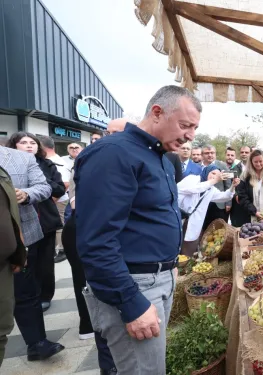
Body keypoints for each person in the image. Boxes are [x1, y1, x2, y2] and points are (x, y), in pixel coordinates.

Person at [75, 85, 201, 374]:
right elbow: (97, 241)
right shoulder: (113, 155)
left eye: (194, 128)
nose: (190, 135)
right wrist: (130, 302)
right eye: (185, 125)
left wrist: (170, 266)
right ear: (157, 113)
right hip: (134, 286)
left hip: (160, 278)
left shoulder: (162, 158)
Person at [0, 145, 64, 361]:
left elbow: (44, 188)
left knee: (26, 292)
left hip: (21, 238)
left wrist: (26, 194)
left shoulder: (22, 159)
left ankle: (37, 343)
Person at [63, 167, 117, 374]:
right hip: (82, 230)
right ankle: (89, 324)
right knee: (84, 282)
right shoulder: (87, 168)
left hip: (107, 234)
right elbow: (76, 202)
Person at [7, 133, 65, 311]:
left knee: (45, 263)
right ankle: (24, 297)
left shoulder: (46, 165)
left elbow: (59, 189)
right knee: (24, 263)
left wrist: (39, 182)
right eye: (23, 142)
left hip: (45, 220)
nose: (28, 145)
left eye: (32, 142)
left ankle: (45, 295)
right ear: (14, 146)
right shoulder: (8, 165)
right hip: (20, 223)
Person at [0, 165, 27, 367]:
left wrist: (18, 250)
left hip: (4, 266)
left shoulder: (1, 172)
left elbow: (9, 214)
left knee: (1, 330)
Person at [178, 167, 240, 255]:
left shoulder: (211, 189)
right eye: (213, 173)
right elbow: (194, 189)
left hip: (193, 223)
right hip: (179, 219)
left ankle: (185, 266)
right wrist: (214, 181)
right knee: (175, 245)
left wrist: (233, 186)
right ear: (206, 172)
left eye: (217, 175)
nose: (214, 177)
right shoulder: (192, 179)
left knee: (188, 249)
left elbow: (225, 196)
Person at [39, 136, 72, 264]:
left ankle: (62, 250)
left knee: (58, 225)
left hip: (58, 200)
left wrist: (51, 200)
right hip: (52, 199)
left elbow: (65, 183)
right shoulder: (47, 160)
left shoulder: (55, 161)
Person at [201, 146, 232, 230]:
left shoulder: (222, 165)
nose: (210, 155)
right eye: (207, 153)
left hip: (219, 204)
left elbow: (228, 184)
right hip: (203, 203)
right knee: (204, 228)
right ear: (202, 155)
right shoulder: (198, 167)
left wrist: (228, 203)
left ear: (215, 154)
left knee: (220, 229)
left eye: (212, 153)